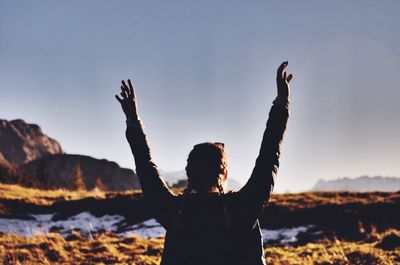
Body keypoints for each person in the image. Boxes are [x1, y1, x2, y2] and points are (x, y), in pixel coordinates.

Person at [115, 61, 292, 265]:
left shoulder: (173, 211)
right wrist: (282, 102)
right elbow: (269, 156)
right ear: (224, 174)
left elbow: (145, 165)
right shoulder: (243, 208)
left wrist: (133, 119)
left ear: (189, 174)